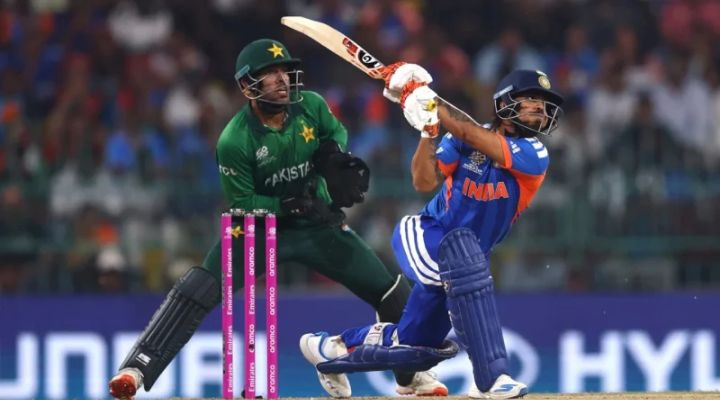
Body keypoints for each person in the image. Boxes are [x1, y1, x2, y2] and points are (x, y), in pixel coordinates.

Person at [108, 40, 446, 399]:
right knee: (200, 287)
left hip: (316, 223)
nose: (282, 79)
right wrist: (288, 206)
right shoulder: (234, 140)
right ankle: (137, 368)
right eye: (270, 73)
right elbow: (242, 202)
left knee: (393, 292)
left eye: (285, 70)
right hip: (256, 230)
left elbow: (336, 133)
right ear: (247, 85)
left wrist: (332, 154)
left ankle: (410, 377)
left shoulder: (311, 105)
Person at [299, 64, 564, 399]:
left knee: (414, 347)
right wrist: (428, 131)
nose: (540, 108)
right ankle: (493, 378)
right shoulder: (462, 137)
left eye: (544, 103)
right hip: (427, 234)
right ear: (505, 102)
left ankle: (329, 350)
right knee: (465, 260)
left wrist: (427, 99)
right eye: (531, 99)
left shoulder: (534, 153)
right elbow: (423, 181)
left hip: (466, 262)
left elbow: (471, 133)